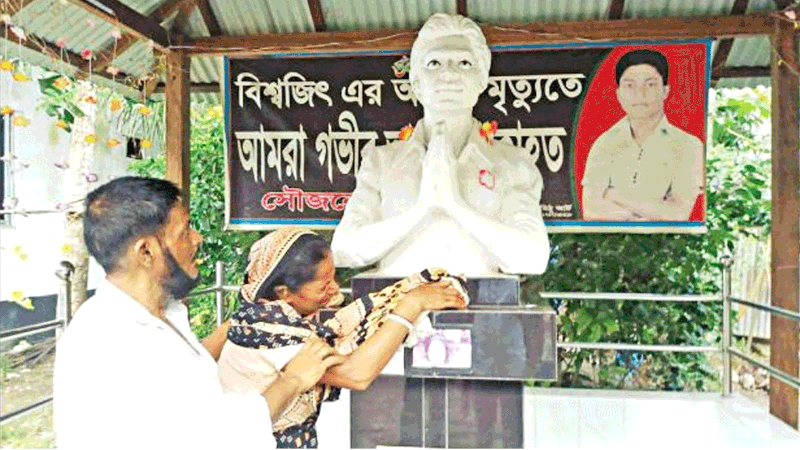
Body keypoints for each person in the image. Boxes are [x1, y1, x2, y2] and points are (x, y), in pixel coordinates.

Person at [53, 177, 346, 450]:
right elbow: (223, 436)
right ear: (145, 252)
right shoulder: (115, 341)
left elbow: (184, 380)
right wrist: (293, 380)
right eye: (184, 232)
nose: (197, 239)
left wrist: (250, 319)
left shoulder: (158, 315)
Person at [331, 13, 550, 277]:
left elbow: (533, 258)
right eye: (434, 63)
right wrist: (423, 208)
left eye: (464, 63)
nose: (449, 74)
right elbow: (343, 250)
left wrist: (455, 205)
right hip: (396, 313)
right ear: (416, 82)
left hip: (481, 311)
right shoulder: (381, 160)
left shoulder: (513, 162)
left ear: (482, 80)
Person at [217, 227, 467, 448]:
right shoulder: (266, 328)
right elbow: (355, 374)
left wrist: (397, 298)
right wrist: (411, 304)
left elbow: (341, 328)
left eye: (334, 277)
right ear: (284, 293)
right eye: (323, 286)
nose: (335, 289)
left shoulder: (266, 314)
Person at [582, 48, 704, 221]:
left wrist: (614, 196)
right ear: (618, 94)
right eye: (630, 85)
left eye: (650, 84)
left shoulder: (688, 145)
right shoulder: (604, 143)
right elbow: (591, 211)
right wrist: (653, 211)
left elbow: (678, 214)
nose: (640, 94)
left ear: (665, 91)